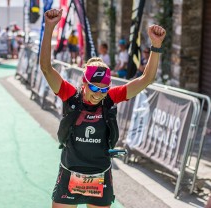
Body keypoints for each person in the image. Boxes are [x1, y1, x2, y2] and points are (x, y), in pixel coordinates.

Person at [40, 8, 166, 208]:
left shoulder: (110, 98)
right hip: (70, 170)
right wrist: (49, 29)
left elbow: (146, 79)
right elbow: (46, 68)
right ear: (84, 82)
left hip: (100, 174)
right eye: (93, 88)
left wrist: (156, 46)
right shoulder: (71, 95)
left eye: (104, 89)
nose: (98, 93)